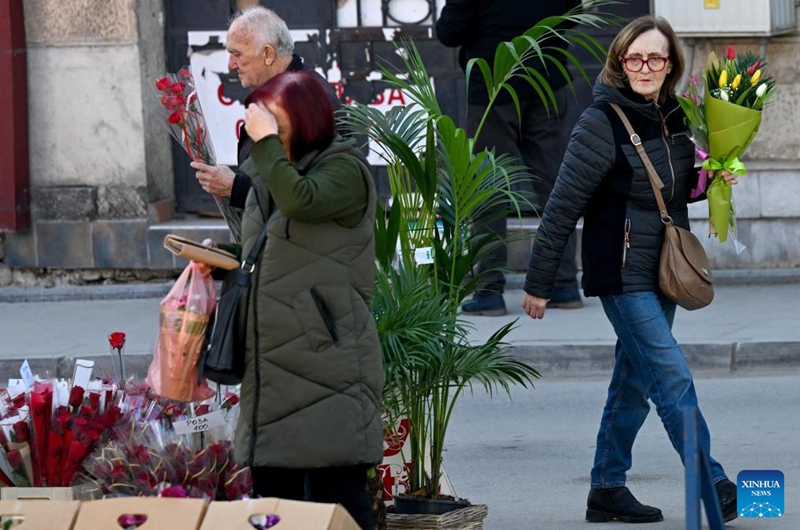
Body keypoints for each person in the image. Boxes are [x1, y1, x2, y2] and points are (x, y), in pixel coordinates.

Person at [521, 16, 740, 523]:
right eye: (635, 58)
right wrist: (539, 282)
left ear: (671, 65)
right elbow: (561, 207)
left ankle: (606, 487)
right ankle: (713, 482)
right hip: (620, 274)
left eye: (656, 58)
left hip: (663, 269)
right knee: (670, 377)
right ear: (621, 61)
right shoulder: (600, 122)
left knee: (634, 384)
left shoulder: (679, 117)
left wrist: (715, 176)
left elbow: (678, 189)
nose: (645, 67)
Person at [197, 70, 383, 530]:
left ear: (304, 117)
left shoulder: (344, 170)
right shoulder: (274, 174)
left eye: (273, 123)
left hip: (326, 362)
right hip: (274, 362)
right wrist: (216, 258)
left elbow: (301, 202)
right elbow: (268, 247)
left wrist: (264, 148)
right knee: (273, 509)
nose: (264, 133)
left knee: (337, 505)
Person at [436, 0, 583, 316]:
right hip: (548, 83)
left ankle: (490, 293)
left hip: (493, 88)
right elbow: (572, 16)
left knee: (489, 191)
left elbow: (449, 32)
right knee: (554, 186)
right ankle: (565, 285)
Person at [191, 6, 341, 211]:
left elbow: (311, 197)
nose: (230, 65)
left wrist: (235, 188)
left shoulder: (307, 99)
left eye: (237, 54)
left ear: (268, 54)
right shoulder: (279, 92)